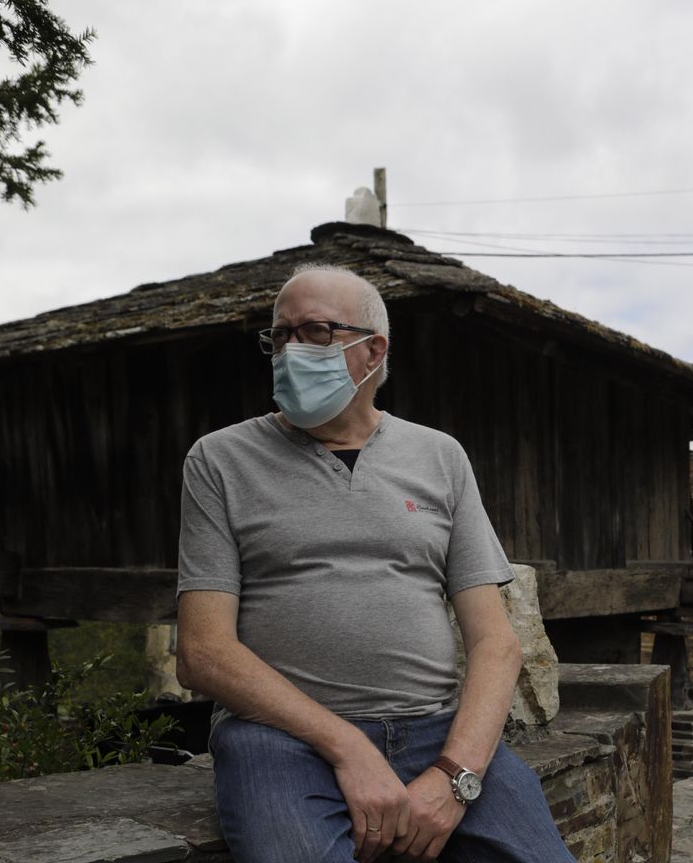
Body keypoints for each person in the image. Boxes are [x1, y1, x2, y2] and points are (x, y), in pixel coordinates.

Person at [176, 264, 577, 863]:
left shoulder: (440, 457)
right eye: (278, 336)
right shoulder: (220, 459)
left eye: (312, 332)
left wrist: (455, 772)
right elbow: (202, 652)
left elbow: (497, 644)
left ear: (372, 351)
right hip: (278, 740)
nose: (288, 351)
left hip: (435, 731)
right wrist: (348, 747)